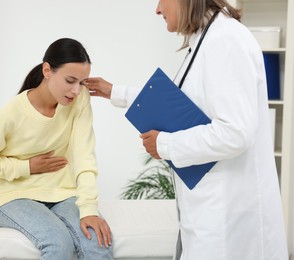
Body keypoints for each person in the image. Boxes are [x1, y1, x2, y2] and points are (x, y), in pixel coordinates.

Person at [85, 1, 288, 260]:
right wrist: (115, 92)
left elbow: (236, 132)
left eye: (161, 0)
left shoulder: (225, 40)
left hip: (226, 218)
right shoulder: (206, 40)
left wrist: (164, 145)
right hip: (208, 210)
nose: (157, 10)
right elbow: (181, 106)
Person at [0, 38, 113, 260]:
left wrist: (89, 209)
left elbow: (84, 155)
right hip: (14, 195)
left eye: (82, 83)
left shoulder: (79, 101)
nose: (76, 90)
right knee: (57, 242)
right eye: (70, 80)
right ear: (47, 70)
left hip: (63, 192)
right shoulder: (13, 112)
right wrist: (27, 167)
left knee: (98, 244)